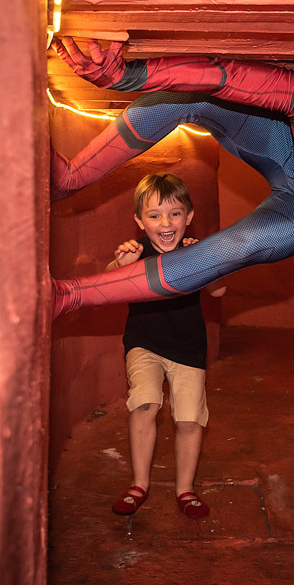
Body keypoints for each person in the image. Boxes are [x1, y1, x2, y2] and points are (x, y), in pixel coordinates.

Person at [50, 37, 294, 319]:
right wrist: (127, 76)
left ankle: (68, 296)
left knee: (237, 246)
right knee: (192, 96)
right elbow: (222, 77)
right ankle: (69, 178)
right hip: (281, 145)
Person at [107, 173, 224, 519]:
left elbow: (219, 292)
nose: (165, 223)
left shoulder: (195, 252)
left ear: (188, 216)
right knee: (144, 403)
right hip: (143, 343)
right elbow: (106, 283)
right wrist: (119, 266)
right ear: (140, 222)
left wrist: (208, 263)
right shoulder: (137, 252)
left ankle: (185, 489)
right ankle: (139, 484)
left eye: (174, 213)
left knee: (189, 419)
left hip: (188, 348)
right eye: (154, 215)